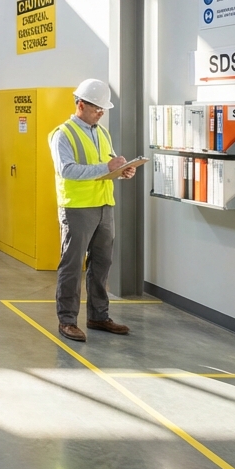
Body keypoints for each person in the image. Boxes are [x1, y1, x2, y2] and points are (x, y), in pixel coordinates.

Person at [49, 79, 138, 342]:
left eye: (103, 109)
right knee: (73, 265)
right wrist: (107, 169)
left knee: (102, 264)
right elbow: (67, 169)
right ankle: (67, 320)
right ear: (80, 104)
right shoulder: (62, 134)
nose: (101, 112)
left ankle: (99, 316)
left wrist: (122, 172)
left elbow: (107, 164)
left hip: (103, 205)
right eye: (97, 108)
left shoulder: (102, 132)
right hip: (77, 208)